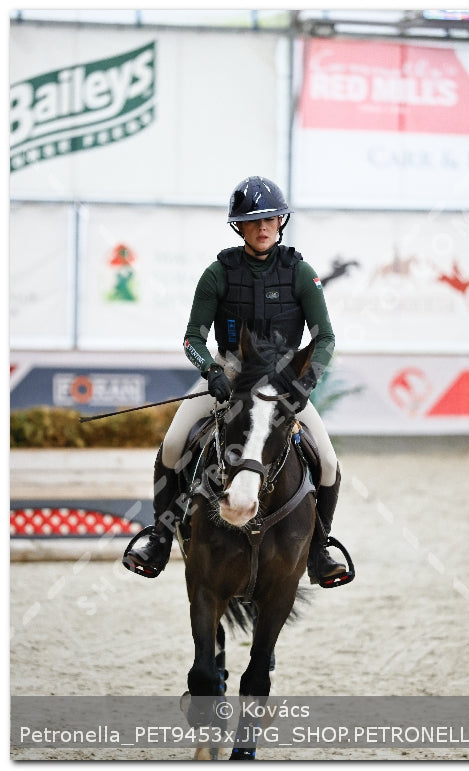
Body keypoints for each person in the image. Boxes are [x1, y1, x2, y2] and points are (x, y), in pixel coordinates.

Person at [124, 176, 346, 585]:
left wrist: (306, 380)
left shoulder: (300, 272)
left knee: (329, 462)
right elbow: (193, 338)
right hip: (229, 373)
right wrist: (211, 371)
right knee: (173, 444)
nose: (263, 228)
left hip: (282, 384)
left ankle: (320, 548)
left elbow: (325, 337)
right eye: (254, 221)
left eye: (271, 220)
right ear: (239, 227)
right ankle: (159, 537)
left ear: (281, 222)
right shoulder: (218, 272)